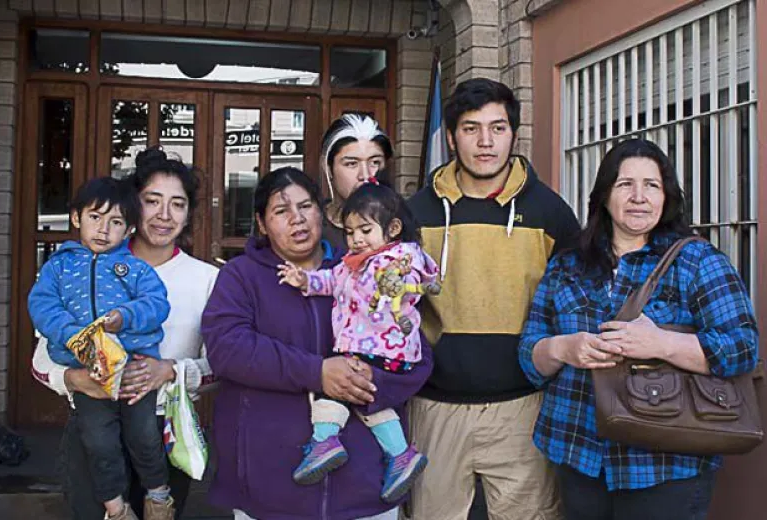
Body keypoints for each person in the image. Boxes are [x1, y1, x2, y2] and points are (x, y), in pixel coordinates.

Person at [519, 138, 759, 520]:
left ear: (666, 197)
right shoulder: (568, 266)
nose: (638, 197)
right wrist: (563, 348)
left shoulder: (697, 261)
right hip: (577, 453)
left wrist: (661, 343)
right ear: (604, 195)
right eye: (625, 184)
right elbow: (529, 355)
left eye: (651, 185)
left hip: (665, 462)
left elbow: (742, 348)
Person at [201, 167, 433, 520]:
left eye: (306, 206)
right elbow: (227, 349)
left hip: (364, 488)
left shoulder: (366, 271)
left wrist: (373, 377)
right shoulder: (241, 276)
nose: (298, 219)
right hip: (269, 492)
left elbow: (418, 356)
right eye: (281, 211)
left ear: (322, 213)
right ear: (262, 224)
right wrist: (317, 372)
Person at [406, 78, 580, 519]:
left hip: (524, 407)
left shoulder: (550, 212)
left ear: (514, 135)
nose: (485, 142)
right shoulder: (416, 213)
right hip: (434, 407)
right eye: (470, 128)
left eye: (497, 128)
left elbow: (578, 304)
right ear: (450, 137)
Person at [32, 148, 219, 520]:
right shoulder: (82, 269)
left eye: (178, 204)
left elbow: (222, 365)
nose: (165, 215)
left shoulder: (208, 279)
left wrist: (170, 371)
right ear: (133, 208)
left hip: (164, 431)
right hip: (93, 427)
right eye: (152, 201)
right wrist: (73, 378)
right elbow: (40, 360)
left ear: (188, 214)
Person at [277, 183, 439, 502]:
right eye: (351, 232)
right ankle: (400, 454)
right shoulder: (354, 261)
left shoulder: (399, 258)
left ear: (392, 229)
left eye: (365, 229)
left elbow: (409, 281)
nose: (357, 239)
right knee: (368, 400)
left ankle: (324, 440)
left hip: (382, 346)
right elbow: (332, 280)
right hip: (371, 347)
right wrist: (305, 280)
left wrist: (393, 284)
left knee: (334, 388)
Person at [28, 176, 174, 520]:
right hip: (89, 373)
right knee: (98, 441)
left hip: (135, 369)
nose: (104, 230)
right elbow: (43, 306)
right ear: (77, 217)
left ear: (129, 230)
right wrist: (75, 336)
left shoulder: (135, 268)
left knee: (144, 436)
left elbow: (157, 304)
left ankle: (158, 495)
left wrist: (124, 317)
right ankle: (117, 508)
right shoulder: (58, 267)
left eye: (116, 222)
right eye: (95, 217)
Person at [319, 113, 395, 246]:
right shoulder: (312, 226)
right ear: (328, 168)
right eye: (351, 164)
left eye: (375, 162)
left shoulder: (400, 223)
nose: (365, 175)